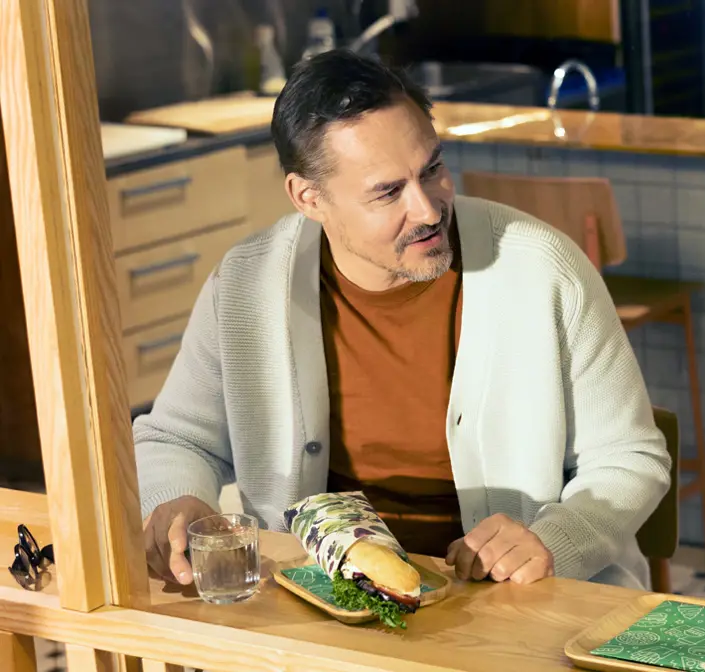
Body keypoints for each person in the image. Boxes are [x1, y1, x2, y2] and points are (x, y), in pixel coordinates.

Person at [134, 50, 672, 590]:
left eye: (432, 169)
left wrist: (554, 539)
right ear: (309, 198)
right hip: (319, 599)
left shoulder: (543, 268)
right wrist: (178, 499)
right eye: (389, 192)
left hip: (517, 600)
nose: (429, 210)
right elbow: (178, 438)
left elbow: (630, 457)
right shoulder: (247, 284)